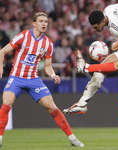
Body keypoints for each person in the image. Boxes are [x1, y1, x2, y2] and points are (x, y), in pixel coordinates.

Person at [0, 12, 84, 147]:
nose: (44, 24)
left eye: (46, 21)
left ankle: (72, 138)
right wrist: (0, 68)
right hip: (16, 77)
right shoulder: (23, 36)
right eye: (41, 21)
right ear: (34, 23)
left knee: (52, 107)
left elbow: (48, 66)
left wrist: (53, 75)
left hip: (34, 79)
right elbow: (2, 51)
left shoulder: (48, 44)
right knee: (7, 103)